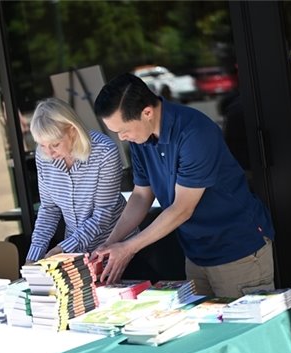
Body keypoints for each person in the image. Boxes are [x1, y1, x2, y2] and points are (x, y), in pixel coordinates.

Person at [91, 73, 275, 298]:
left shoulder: (194, 132)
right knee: (203, 330)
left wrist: (128, 248)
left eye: (123, 130)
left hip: (237, 249)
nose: (121, 137)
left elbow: (182, 209)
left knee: (245, 331)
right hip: (195, 253)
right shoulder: (140, 137)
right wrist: (111, 244)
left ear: (147, 112)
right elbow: (141, 196)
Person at [25, 97, 132, 263]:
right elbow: (49, 209)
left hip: (116, 248)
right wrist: (33, 257)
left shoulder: (105, 152)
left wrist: (63, 248)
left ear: (72, 130)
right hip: (76, 255)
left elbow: (102, 215)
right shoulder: (43, 155)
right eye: (42, 145)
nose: (49, 153)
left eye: (55, 144)